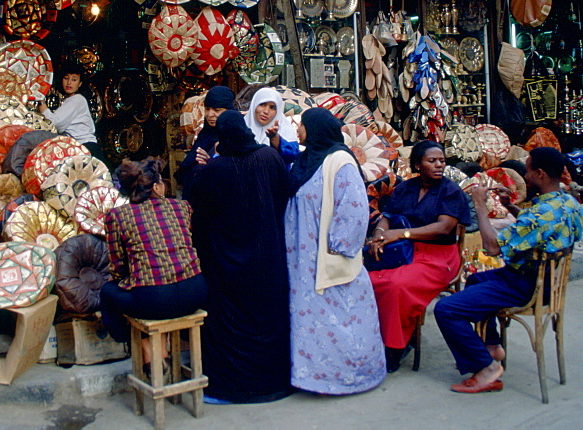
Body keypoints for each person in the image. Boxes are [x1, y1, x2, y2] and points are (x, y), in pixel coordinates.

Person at [434, 147, 583, 394]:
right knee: (474, 280)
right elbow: (539, 228)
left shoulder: (539, 214)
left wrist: (481, 206)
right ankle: (492, 346)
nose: (526, 176)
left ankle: (486, 369)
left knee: (446, 309)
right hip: (549, 281)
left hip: (525, 284)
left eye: (529, 171)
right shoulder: (570, 203)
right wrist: (510, 207)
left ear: (542, 174)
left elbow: (492, 248)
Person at [185, 110, 292, 404]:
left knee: (230, 323)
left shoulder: (216, 170)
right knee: (266, 319)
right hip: (268, 256)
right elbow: (284, 196)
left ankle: (231, 388)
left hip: (227, 263)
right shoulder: (270, 159)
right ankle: (272, 382)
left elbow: (196, 209)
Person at [284, 107, 386, 394]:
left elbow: (353, 208)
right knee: (310, 318)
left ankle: (348, 376)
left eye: (303, 126)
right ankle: (311, 377)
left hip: (328, 257)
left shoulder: (340, 161)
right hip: (301, 259)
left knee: (340, 317)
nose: (299, 131)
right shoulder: (305, 161)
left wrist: (338, 246)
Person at [367, 140, 472, 372]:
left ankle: (396, 345)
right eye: (431, 161)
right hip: (406, 251)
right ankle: (374, 340)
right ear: (417, 164)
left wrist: (401, 233)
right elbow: (388, 215)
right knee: (367, 279)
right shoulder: (406, 188)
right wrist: (380, 234)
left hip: (440, 256)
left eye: (441, 161)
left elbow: (443, 228)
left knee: (396, 285)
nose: (438, 165)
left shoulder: (450, 191)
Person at [100, 158, 208, 360]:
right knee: (152, 290)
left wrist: (126, 279)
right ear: (157, 187)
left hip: (154, 299)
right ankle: (159, 349)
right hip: (195, 291)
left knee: (108, 291)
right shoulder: (182, 207)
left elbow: (118, 268)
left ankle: (146, 349)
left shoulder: (118, 215)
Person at [174, 86, 235, 190]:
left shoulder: (235, 137)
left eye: (217, 110)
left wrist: (211, 163)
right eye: (207, 109)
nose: (210, 114)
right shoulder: (205, 135)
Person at [41, 62, 102, 160]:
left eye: (74, 79)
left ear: (80, 83)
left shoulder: (77, 99)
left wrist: (41, 103)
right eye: (66, 78)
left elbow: (55, 123)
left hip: (86, 147)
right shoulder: (70, 100)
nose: (69, 82)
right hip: (79, 148)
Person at [244, 87, 300, 161]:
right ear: (254, 104)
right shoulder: (241, 126)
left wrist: (276, 139)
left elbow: (293, 155)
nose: (266, 111)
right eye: (262, 104)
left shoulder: (284, 128)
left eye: (272, 107)